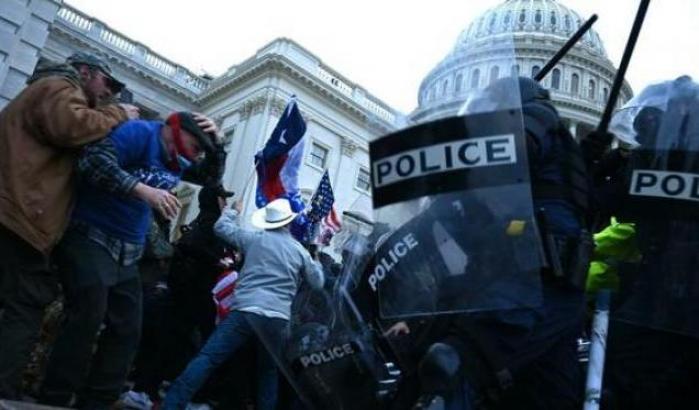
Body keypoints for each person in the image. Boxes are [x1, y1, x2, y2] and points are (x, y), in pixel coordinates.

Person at [384, 77, 592, 409]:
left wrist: (458, 160)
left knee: (455, 368)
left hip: (533, 284)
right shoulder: (512, 188)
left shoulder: (536, 117)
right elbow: (453, 244)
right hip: (528, 289)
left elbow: (515, 147)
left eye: (491, 107)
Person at [39, 111, 223, 409]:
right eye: (197, 143)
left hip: (130, 248)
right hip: (92, 233)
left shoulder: (183, 160)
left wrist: (218, 143)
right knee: (88, 315)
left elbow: (212, 178)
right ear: (173, 129)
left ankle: (97, 401)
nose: (199, 152)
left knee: (127, 329)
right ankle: (54, 398)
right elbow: (93, 162)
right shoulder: (139, 133)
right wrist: (142, 190)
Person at [0, 52, 140, 399]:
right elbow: (71, 126)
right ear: (85, 72)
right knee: (25, 307)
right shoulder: (59, 86)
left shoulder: (42, 89)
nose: (109, 93)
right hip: (21, 217)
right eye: (107, 83)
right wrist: (118, 115)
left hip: (15, 212)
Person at [162, 198, 324, 410]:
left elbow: (221, 227)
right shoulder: (299, 251)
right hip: (277, 317)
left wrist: (233, 211)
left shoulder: (254, 239)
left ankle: (172, 404)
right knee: (267, 372)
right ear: (288, 222)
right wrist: (317, 261)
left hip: (246, 310)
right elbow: (318, 283)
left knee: (208, 358)